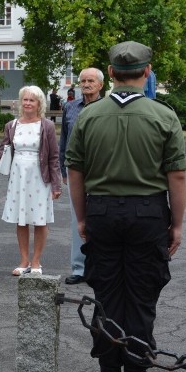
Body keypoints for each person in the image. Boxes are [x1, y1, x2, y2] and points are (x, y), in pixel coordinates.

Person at [66, 41, 186, 372]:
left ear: (112, 74)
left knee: (106, 297)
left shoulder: (89, 115)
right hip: (147, 215)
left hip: (102, 213)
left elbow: (76, 171)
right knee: (140, 299)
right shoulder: (163, 116)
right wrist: (177, 224)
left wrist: (83, 217)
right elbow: (177, 176)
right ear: (147, 73)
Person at [0, 85, 62, 276]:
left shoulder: (47, 126)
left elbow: (54, 157)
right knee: (21, 221)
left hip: (40, 178)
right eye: (25, 100)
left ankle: (36, 261)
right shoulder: (12, 126)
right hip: (18, 177)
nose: (28, 103)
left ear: (39, 104)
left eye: (32, 100)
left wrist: (56, 185)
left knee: (40, 220)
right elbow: (1, 153)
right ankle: (24, 260)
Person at [60, 68, 104, 285]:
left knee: (100, 215)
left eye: (91, 81)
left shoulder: (108, 107)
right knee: (78, 218)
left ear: (100, 85)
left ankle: (99, 266)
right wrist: (62, 170)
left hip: (100, 169)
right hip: (75, 170)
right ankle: (79, 268)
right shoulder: (69, 107)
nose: (86, 85)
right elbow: (64, 141)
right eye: (83, 81)